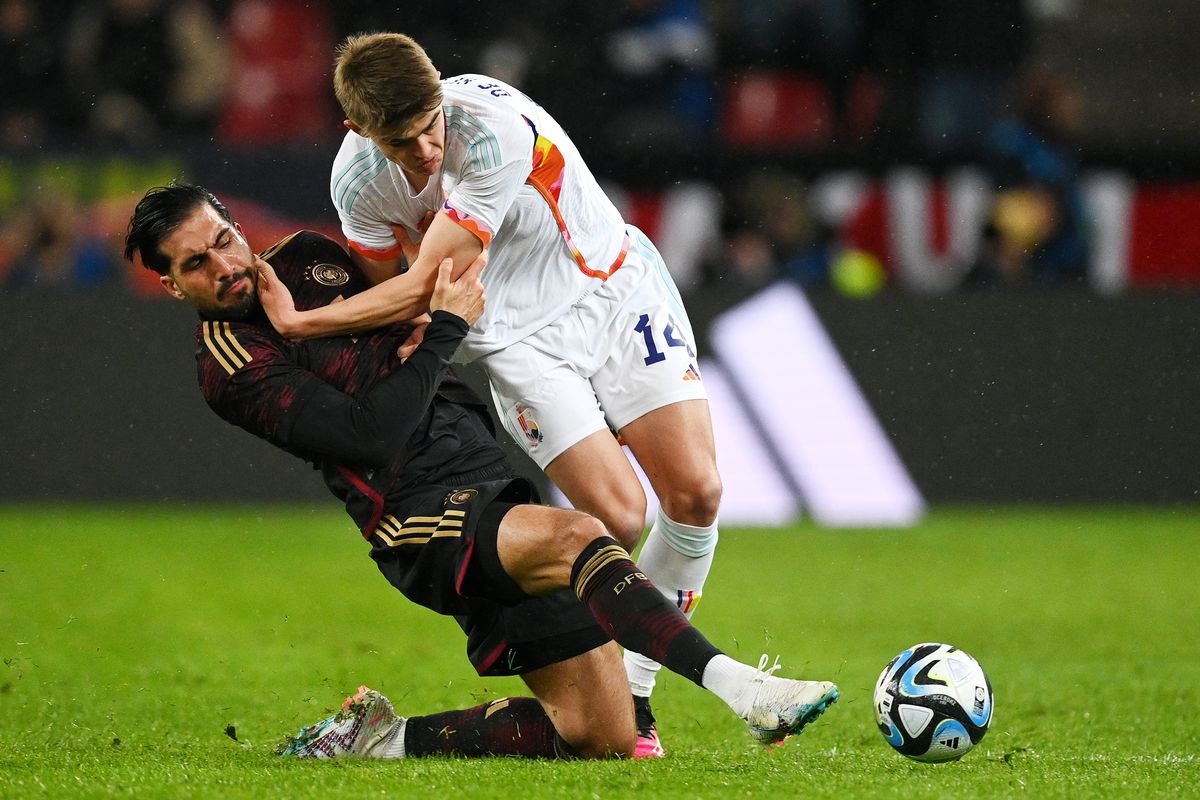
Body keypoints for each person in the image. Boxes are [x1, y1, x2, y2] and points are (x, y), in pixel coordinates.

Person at [124, 182, 838, 761]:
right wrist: (440, 334)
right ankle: (742, 688)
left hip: (485, 476)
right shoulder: (230, 363)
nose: (224, 266)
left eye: (222, 240)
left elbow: (408, 309)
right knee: (578, 535)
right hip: (416, 516)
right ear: (172, 286)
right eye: (195, 265)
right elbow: (370, 434)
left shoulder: (311, 254)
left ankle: (383, 739)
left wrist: (420, 331)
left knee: (601, 736)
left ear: (235, 223)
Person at [256, 31, 725, 758]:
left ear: (441, 93)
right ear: (358, 131)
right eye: (402, 142)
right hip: (515, 340)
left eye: (430, 126)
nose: (427, 152)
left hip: (609, 285)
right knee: (617, 517)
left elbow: (424, 282)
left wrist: (299, 322)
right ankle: (616, 700)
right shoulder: (356, 186)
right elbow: (398, 299)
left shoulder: (492, 128)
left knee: (695, 493)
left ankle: (633, 694)